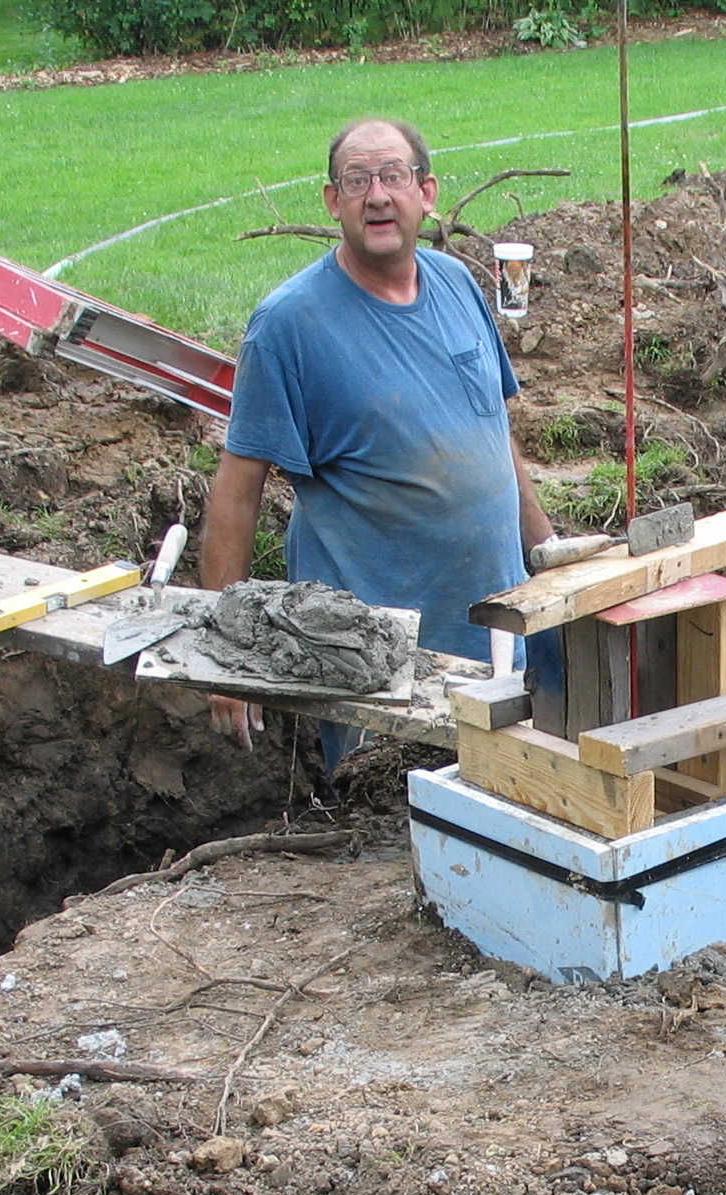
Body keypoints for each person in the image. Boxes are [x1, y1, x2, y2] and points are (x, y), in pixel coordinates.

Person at [197, 116, 554, 753]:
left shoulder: (457, 283)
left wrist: (550, 557)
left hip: (497, 643)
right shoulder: (288, 326)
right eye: (357, 181)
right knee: (386, 837)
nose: (378, 196)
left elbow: (494, 432)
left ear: (427, 192)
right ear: (334, 202)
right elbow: (237, 491)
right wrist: (228, 651)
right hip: (376, 673)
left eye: (394, 176)